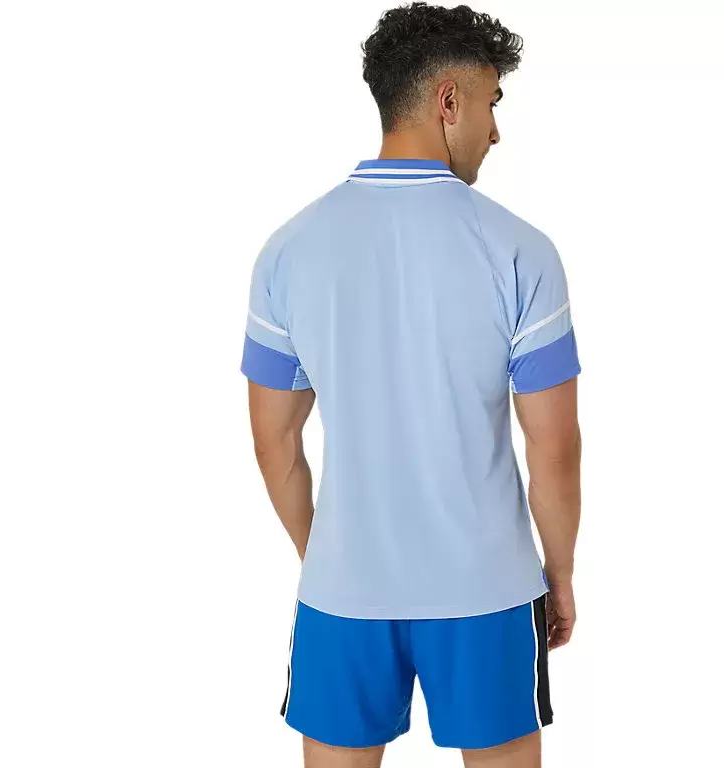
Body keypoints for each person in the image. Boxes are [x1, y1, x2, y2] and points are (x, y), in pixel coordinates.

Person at [240, 3, 582, 766]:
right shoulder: (520, 251)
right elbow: (553, 449)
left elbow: (275, 444)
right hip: (489, 591)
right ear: (448, 101)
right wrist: (559, 575)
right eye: (491, 103)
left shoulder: (288, 251)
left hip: (343, 593)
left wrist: (331, 559)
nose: (495, 131)